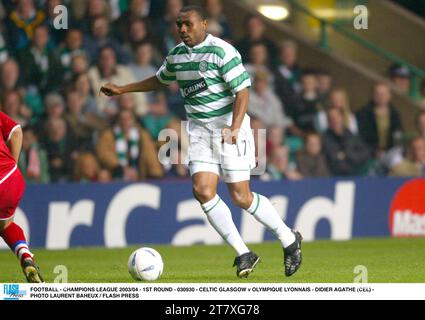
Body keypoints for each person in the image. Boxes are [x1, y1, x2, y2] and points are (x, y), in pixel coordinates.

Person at [100, 5, 302, 278]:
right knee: (203, 190)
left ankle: (289, 239)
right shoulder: (176, 56)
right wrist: (123, 89)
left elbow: (242, 92)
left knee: (241, 197)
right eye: (179, 25)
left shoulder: (222, 51)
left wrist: (233, 127)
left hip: (230, 129)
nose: (183, 29)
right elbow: (160, 80)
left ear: (204, 24)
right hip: (198, 131)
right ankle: (244, 253)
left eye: (188, 24)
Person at [0, 111, 44, 282]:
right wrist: (12, 165)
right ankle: (25, 256)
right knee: (4, 225)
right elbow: (16, 131)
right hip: (12, 176)